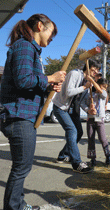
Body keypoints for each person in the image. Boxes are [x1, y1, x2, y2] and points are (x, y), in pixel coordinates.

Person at [0, 14, 66, 210]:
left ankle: (18, 204)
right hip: (18, 115)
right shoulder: (24, 46)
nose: (52, 38)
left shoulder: (30, 49)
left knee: (22, 166)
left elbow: (28, 83)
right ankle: (14, 207)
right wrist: (48, 78)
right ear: (40, 26)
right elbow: (23, 80)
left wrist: (48, 86)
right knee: (21, 168)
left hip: (23, 115)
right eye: (51, 32)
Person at [52, 60, 100, 174]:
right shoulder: (75, 74)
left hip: (73, 110)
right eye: (94, 69)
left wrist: (89, 110)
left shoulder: (89, 82)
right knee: (71, 130)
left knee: (78, 132)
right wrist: (84, 87)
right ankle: (76, 162)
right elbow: (69, 92)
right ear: (88, 68)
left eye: (97, 71)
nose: (95, 72)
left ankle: (63, 156)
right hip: (61, 108)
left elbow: (82, 102)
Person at [80, 77, 110, 168]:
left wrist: (92, 81)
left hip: (99, 119)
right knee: (91, 139)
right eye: (103, 86)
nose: (104, 88)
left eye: (106, 87)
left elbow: (102, 93)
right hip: (90, 119)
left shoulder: (103, 93)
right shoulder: (89, 93)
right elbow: (82, 103)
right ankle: (92, 158)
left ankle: (108, 156)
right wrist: (88, 109)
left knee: (102, 138)